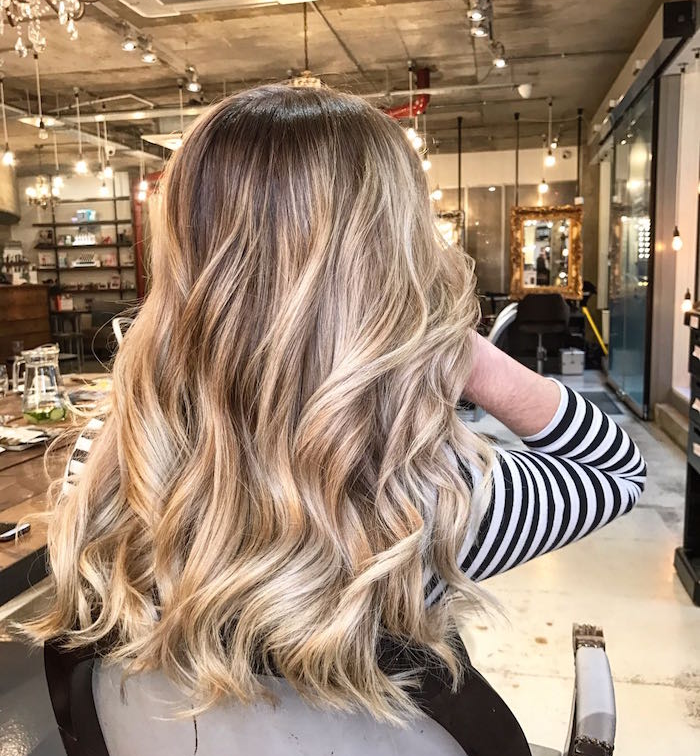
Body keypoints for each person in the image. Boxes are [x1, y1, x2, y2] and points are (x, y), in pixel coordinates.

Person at [28, 85, 646, 722]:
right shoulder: (440, 502)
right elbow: (619, 469)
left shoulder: (110, 470)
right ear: (395, 260)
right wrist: (456, 346)